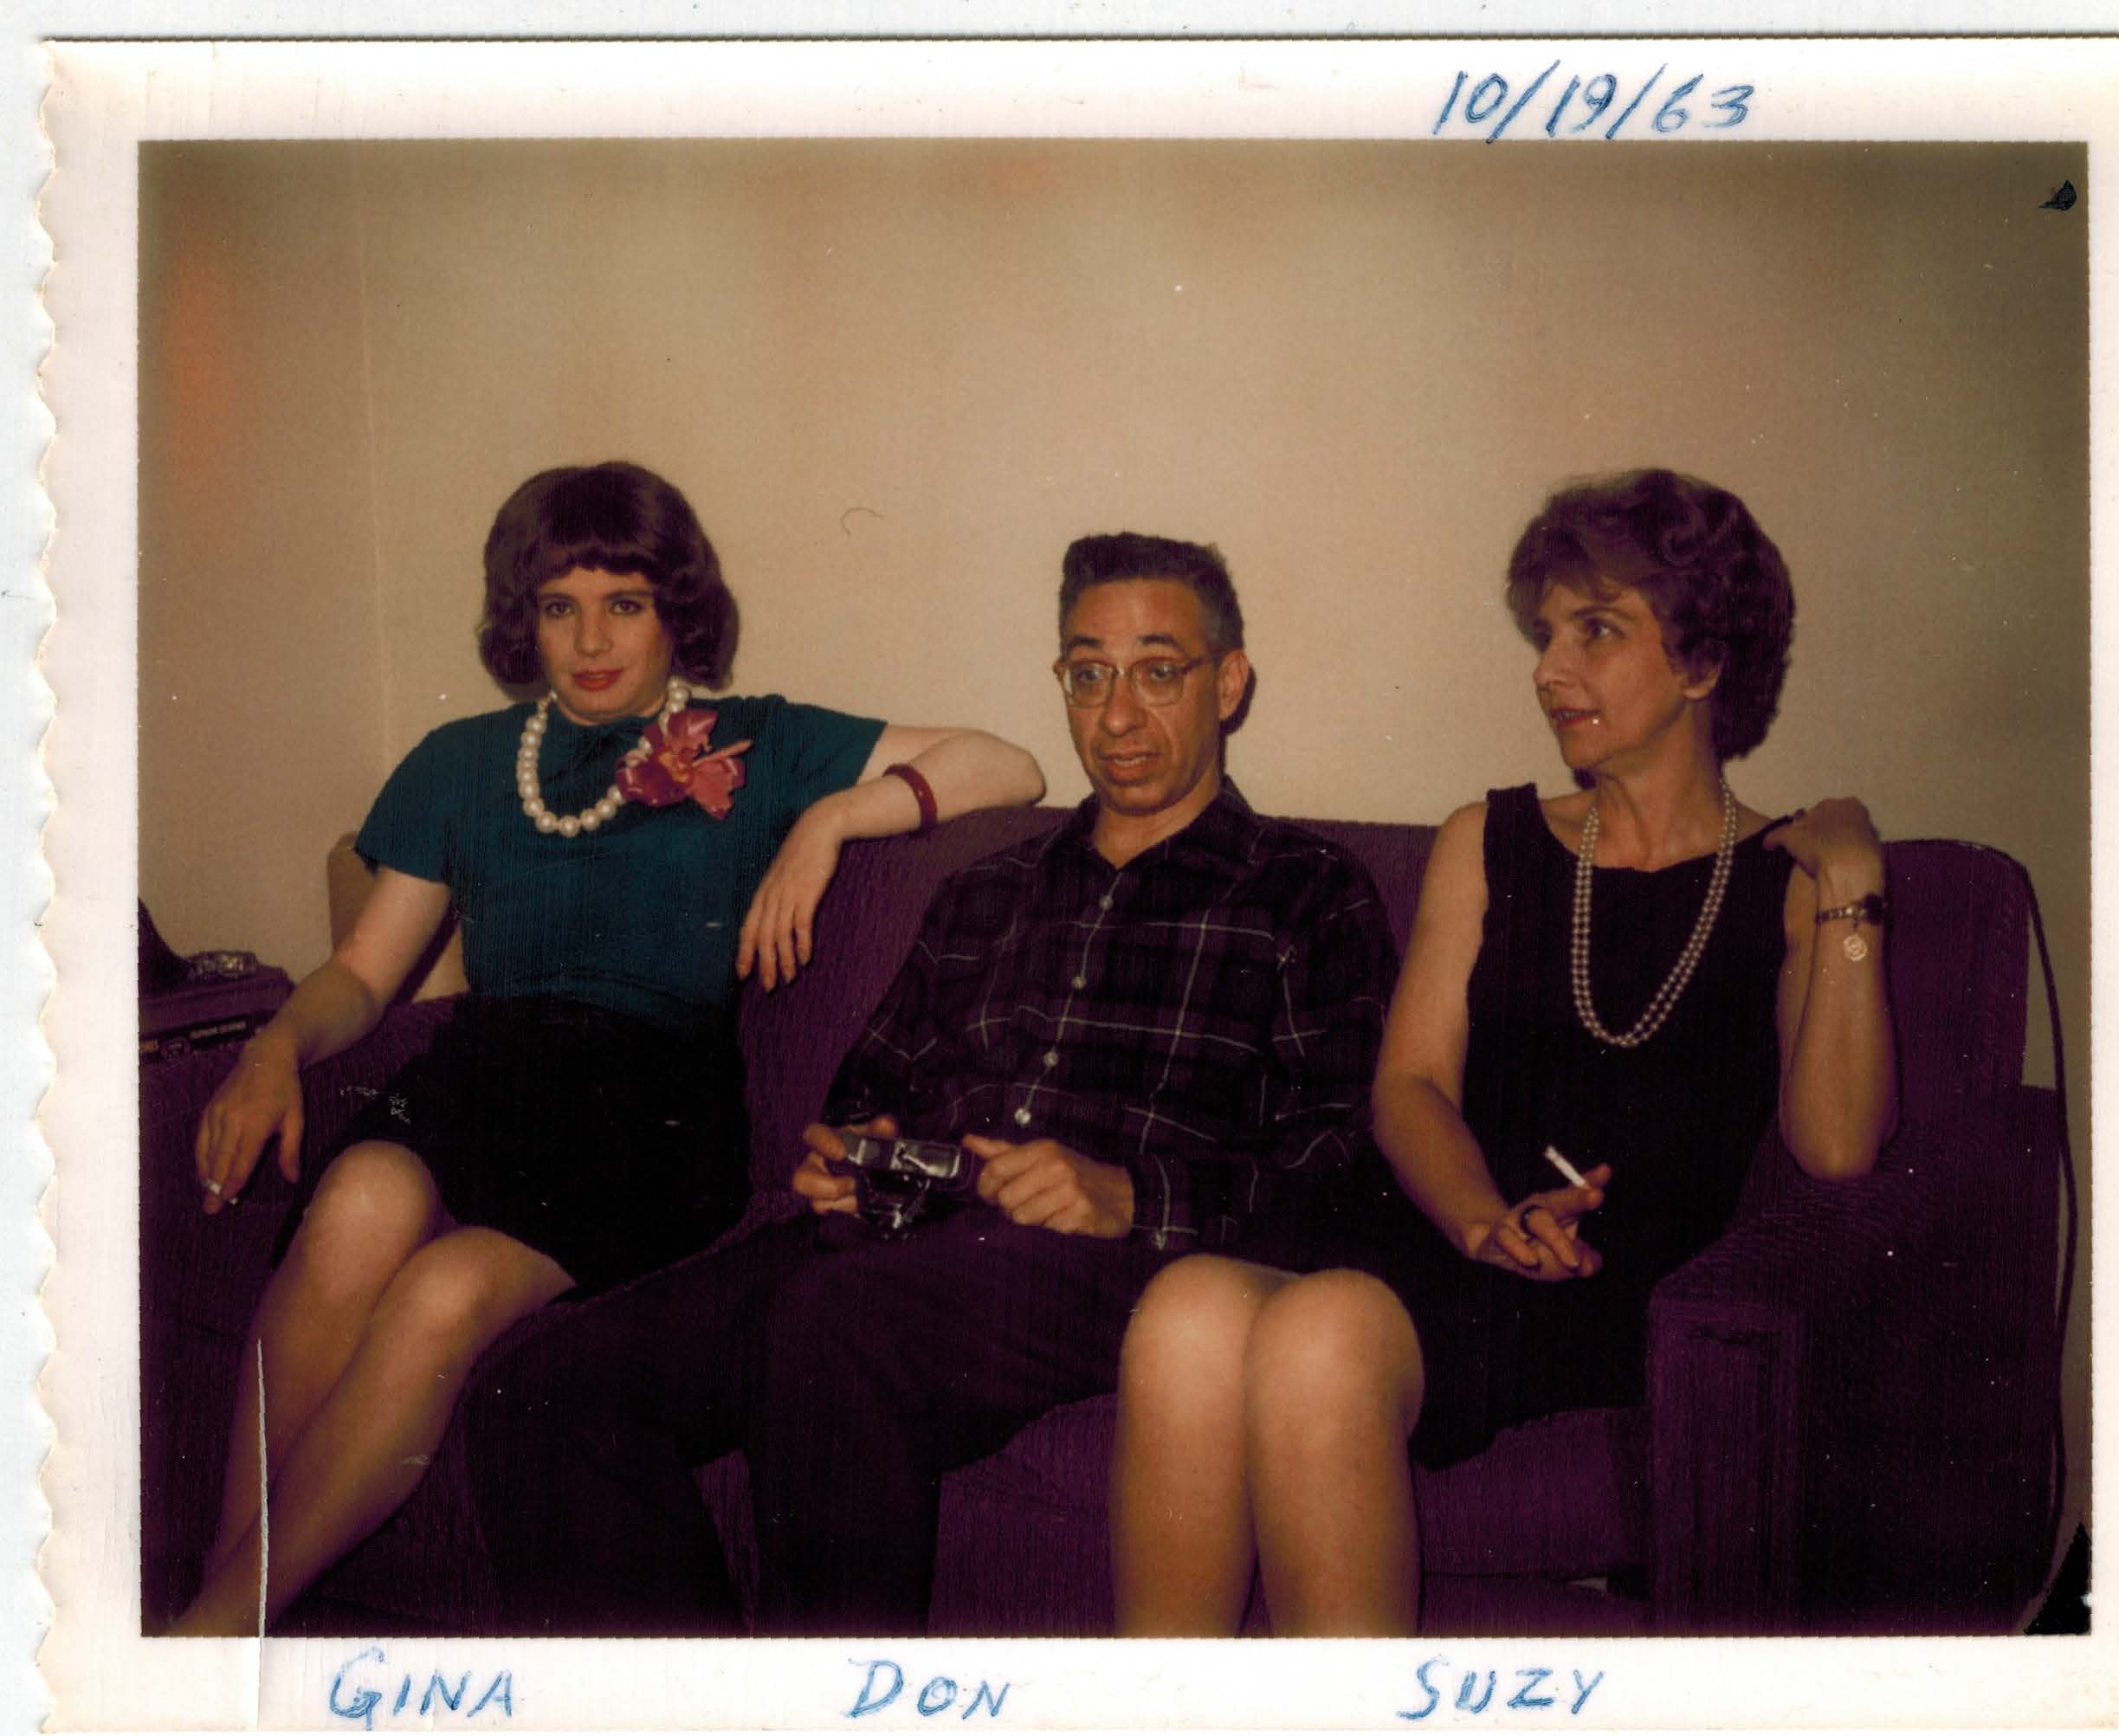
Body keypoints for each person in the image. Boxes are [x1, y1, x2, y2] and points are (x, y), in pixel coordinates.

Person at [464, 531, 1398, 1636]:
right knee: (538, 1388)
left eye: (1157, 671)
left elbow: (1338, 1152)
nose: (1115, 714)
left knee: (829, 1326)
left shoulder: (1305, 890)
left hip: (1117, 1260)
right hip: (905, 1242)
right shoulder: (982, 888)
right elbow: (870, 1089)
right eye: (1086, 674)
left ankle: (837, 1705)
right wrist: (843, 1156)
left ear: (1226, 683)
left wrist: (1129, 1192)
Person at [171, 460, 1044, 1636]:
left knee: (440, 1293)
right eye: (559, 605)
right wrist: (273, 1048)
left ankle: (212, 1636)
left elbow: (1009, 764)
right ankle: (221, 1621)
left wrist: (832, 818)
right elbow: (365, 974)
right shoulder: (460, 761)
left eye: (623, 603)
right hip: (485, 1076)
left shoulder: (751, 741)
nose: (590, 640)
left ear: (674, 611)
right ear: (520, 617)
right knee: (357, 1199)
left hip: (646, 1113)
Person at [1108, 468, 1897, 1637]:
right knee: (1182, 1311)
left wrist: (1853, 882)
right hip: (1446, 1225)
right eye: (1544, 634)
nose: (1547, 669)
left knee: (1321, 1334)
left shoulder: (1784, 880)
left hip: (1604, 1282)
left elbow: (1834, 1147)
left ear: (1700, 662)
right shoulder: (1488, 839)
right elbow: (1409, 1084)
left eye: (1595, 631)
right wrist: (1479, 1218)